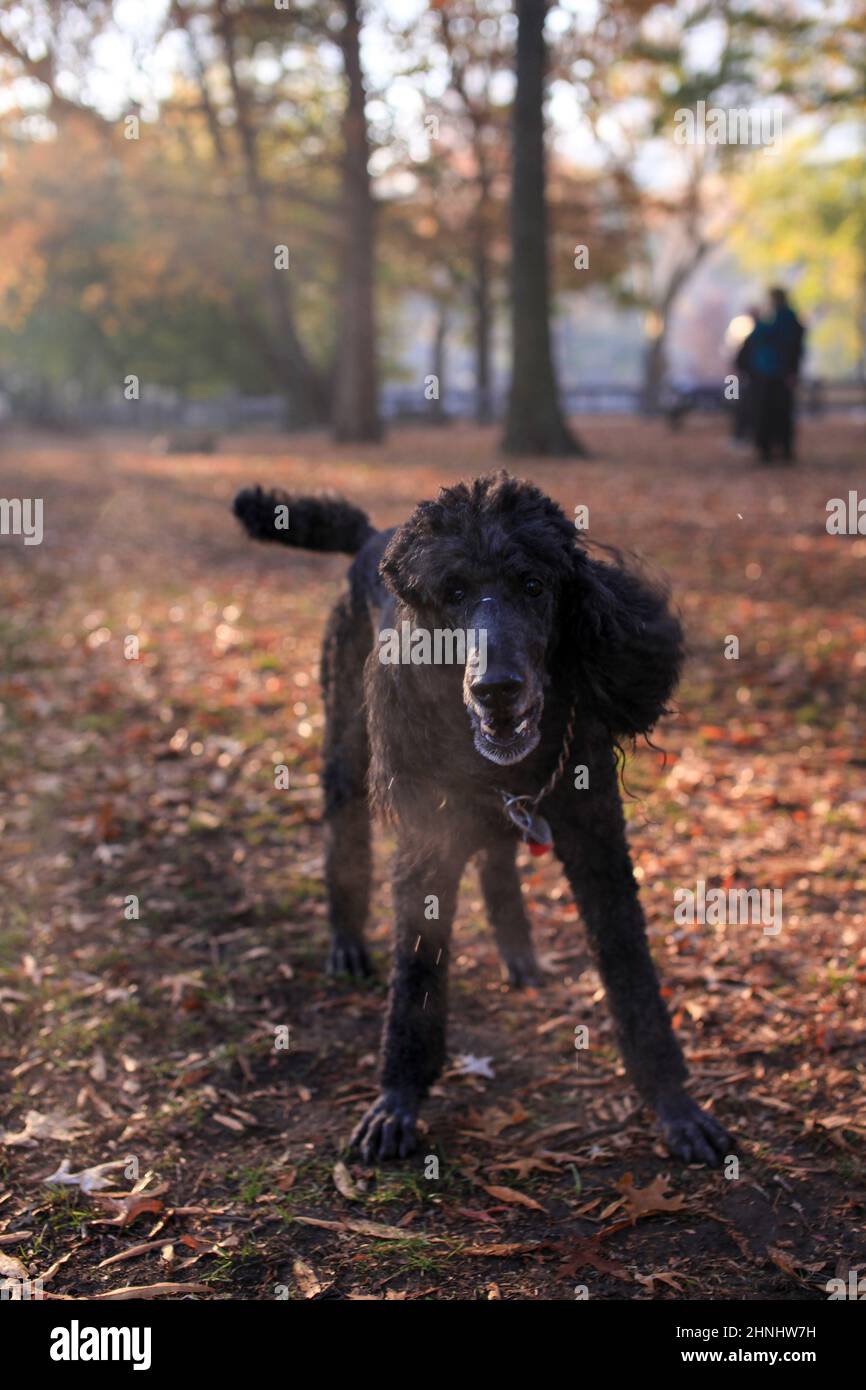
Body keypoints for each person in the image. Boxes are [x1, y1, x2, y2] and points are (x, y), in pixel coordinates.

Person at [751, 286, 806, 464]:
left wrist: (791, 370)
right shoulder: (780, 318)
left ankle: (775, 449)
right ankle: (774, 449)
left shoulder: (783, 319)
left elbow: (792, 346)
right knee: (773, 412)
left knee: (774, 412)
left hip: (776, 373)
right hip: (772, 372)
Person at [731, 304, 762, 447]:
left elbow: (741, 360)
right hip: (751, 379)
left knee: (747, 408)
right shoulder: (754, 336)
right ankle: (744, 436)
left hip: (754, 379)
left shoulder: (756, 336)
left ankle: (745, 436)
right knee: (744, 407)